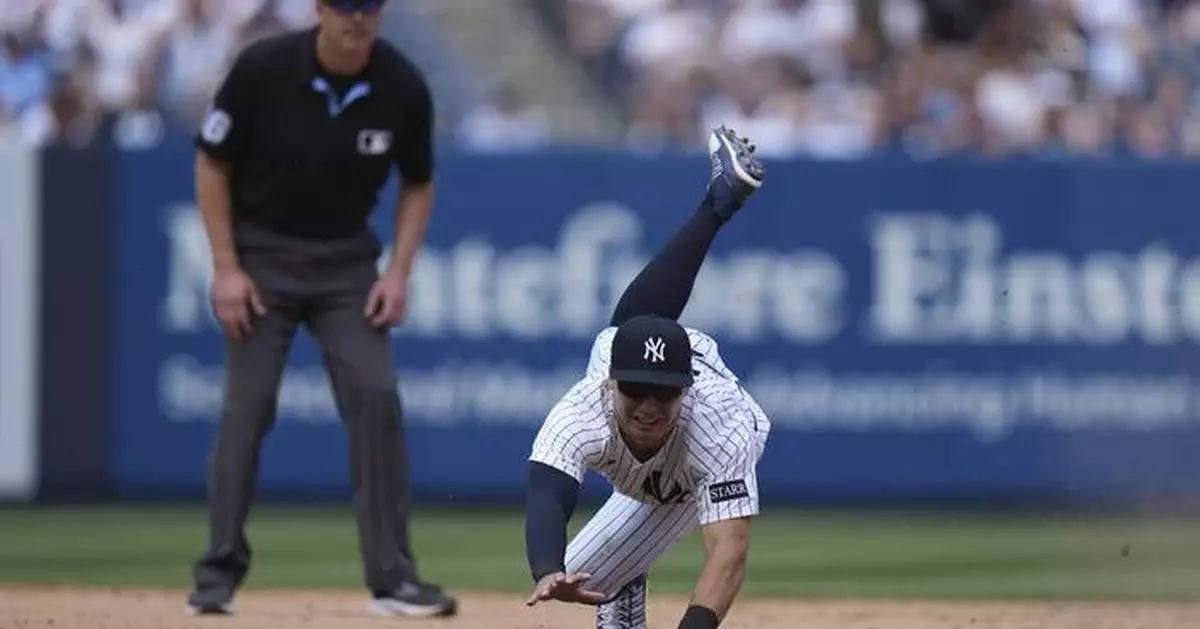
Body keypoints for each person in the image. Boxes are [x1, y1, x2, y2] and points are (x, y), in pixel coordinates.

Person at [185, 0, 456, 618]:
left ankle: (393, 580)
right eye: (343, 5)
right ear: (319, 9)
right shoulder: (264, 67)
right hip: (262, 259)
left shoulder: (402, 84)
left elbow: (419, 181)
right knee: (247, 408)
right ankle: (217, 576)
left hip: (345, 267)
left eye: (368, 6)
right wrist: (226, 266)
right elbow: (211, 160)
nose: (355, 17)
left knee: (375, 395)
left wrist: (399, 271)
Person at [523, 126, 769, 629]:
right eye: (635, 388)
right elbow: (548, 492)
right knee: (574, 575)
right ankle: (718, 202)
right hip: (633, 367)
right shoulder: (583, 408)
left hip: (690, 467)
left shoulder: (720, 429)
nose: (649, 405)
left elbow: (729, 554)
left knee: (603, 567)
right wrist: (547, 568)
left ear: (687, 390)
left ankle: (718, 203)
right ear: (611, 384)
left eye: (663, 392)